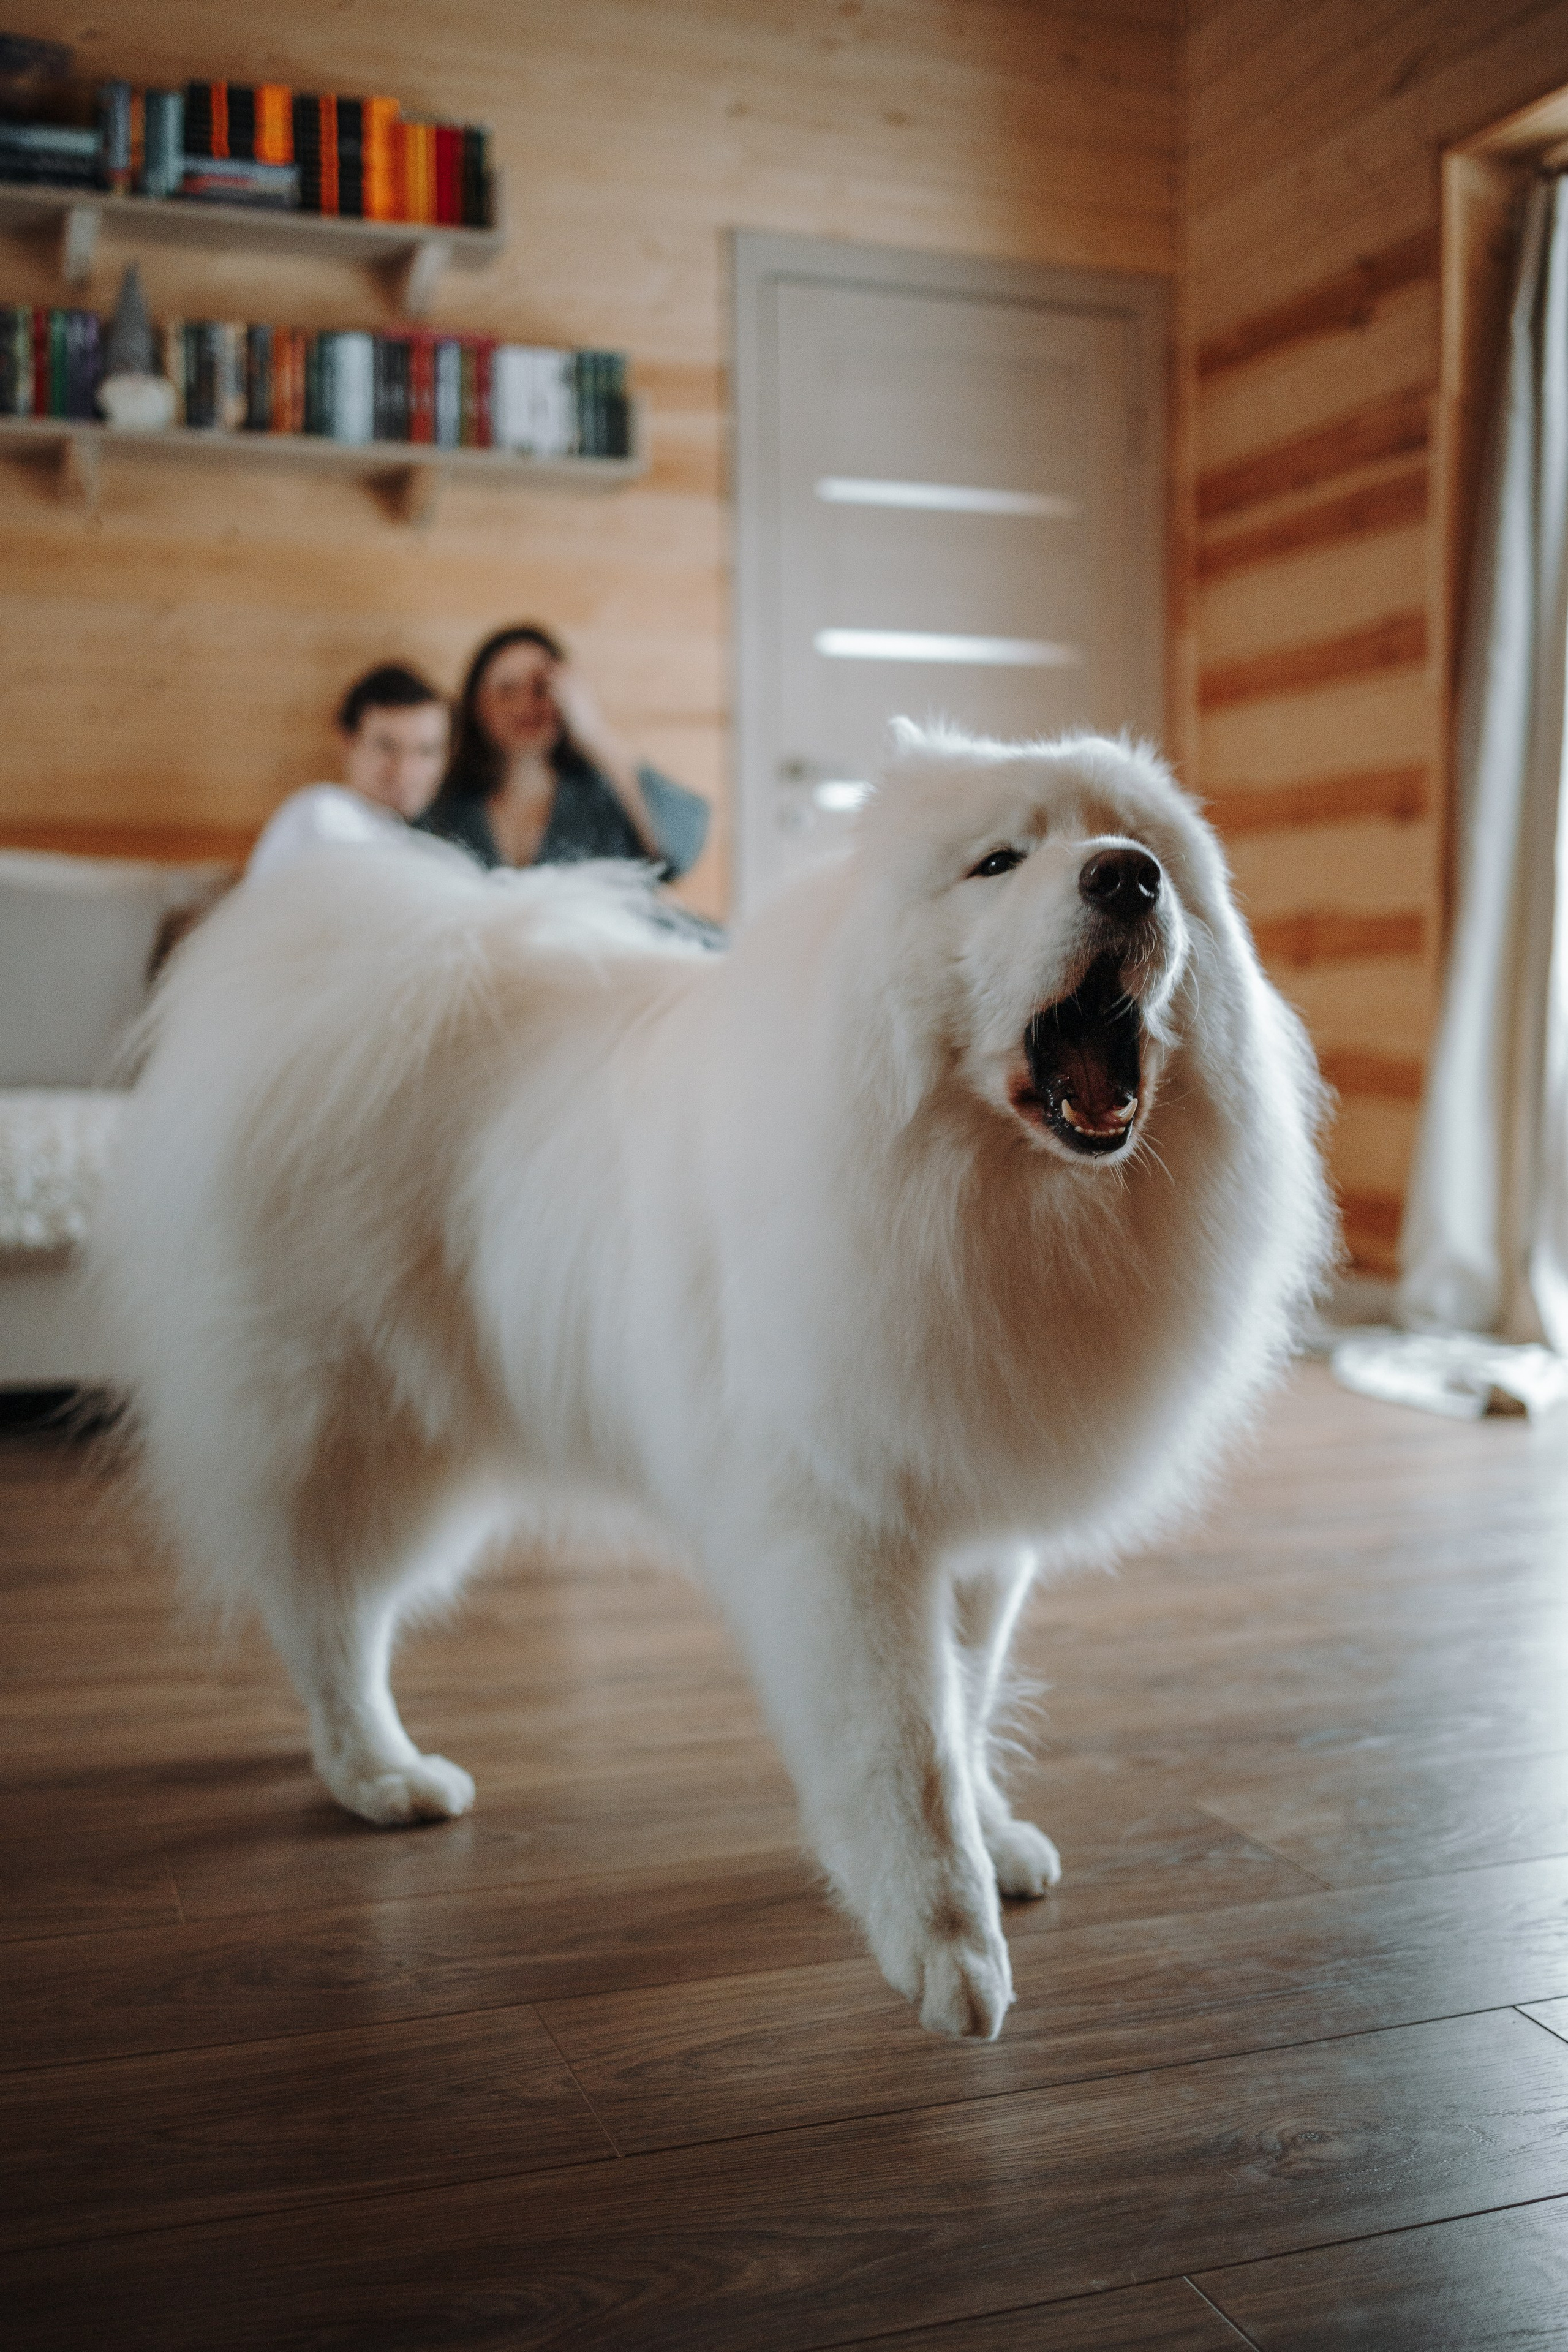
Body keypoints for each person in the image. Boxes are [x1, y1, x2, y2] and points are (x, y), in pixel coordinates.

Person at [417, 625, 708, 879]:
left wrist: (595, 734)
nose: (525, 705)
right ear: (475, 705)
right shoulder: (447, 806)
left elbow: (676, 852)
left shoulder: (602, 793)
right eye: (506, 689)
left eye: (541, 688)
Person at [246, 664, 450, 884]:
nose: (406, 770)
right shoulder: (323, 812)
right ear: (347, 746)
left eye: (427, 751)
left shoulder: (403, 835)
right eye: (386, 747)